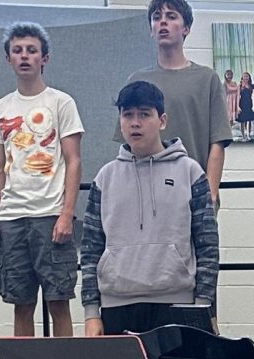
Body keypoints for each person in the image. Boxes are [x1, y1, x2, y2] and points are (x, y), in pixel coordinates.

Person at [81, 80, 218, 336]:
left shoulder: (190, 172)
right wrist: (91, 313)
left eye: (144, 114)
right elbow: (90, 248)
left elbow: (207, 246)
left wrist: (203, 307)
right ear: (120, 120)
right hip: (116, 306)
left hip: (178, 305)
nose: (135, 122)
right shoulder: (104, 178)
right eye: (128, 115)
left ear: (162, 120)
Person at [0, 22, 84, 337]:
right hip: (12, 217)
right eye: (17, 51)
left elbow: (74, 160)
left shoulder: (61, 102)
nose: (24, 56)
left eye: (31, 50)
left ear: (45, 58)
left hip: (50, 214)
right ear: (8, 59)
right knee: (21, 302)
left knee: (58, 300)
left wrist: (67, 214)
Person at [124, 0, 232, 209]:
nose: (163, 22)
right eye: (157, 17)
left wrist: (209, 194)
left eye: (171, 16)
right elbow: (128, 146)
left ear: (186, 28)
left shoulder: (207, 79)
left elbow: (217, 143)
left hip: (193, 193)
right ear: (151, 29)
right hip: (146, 197)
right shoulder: (137, 81)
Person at [237, 72, 254, 141]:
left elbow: (253, 95)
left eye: (247, 76)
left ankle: (248, 134)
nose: (246, 78)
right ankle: (243, 135)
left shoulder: (251, 85)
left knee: (249, 120)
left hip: (249, 104)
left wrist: (253, 105)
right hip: (242, 104)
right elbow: (238, 96)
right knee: (242, 120)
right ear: (242, 77)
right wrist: (238, 106)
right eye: (244, 76)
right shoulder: (240, 86)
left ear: (249, 77)